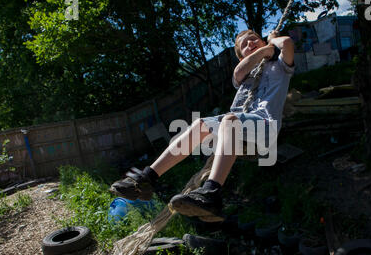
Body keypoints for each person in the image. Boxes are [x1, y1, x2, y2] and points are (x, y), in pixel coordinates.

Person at [110, 29, 295, 222]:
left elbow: (288, 43)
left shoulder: (280, 65)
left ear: (263, 40)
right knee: (199, 124)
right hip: (237, 130)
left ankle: (212, 193)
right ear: (242, 56)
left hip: (265, 128)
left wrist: (273, 40)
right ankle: (147, 178)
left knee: (229, 120)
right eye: (245, 45)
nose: (250, 44)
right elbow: (239, 70)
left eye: (254, 39)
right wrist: (266, 48)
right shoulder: (244, 74)